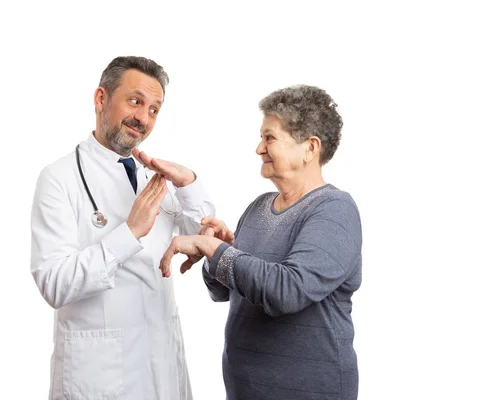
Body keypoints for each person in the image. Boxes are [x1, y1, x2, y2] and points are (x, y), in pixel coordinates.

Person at [160, 85, 362, 400]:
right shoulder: (259, 207)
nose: (259, 148)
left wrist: (217, 251)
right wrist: (218, 249)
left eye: (270, 138)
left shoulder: (334, 210)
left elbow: (287, 291)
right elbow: (222, 292)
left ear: (310, 148)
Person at [30, 56, 215, 400]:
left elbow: (203, 234)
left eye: (154, 110)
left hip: (161, 369)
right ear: (101, 99)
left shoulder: (153, 176)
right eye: (135, 101)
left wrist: (190, 182)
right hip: (99, 377)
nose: (143, 119)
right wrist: (128, 233)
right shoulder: (59, 179)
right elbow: (53, 284)